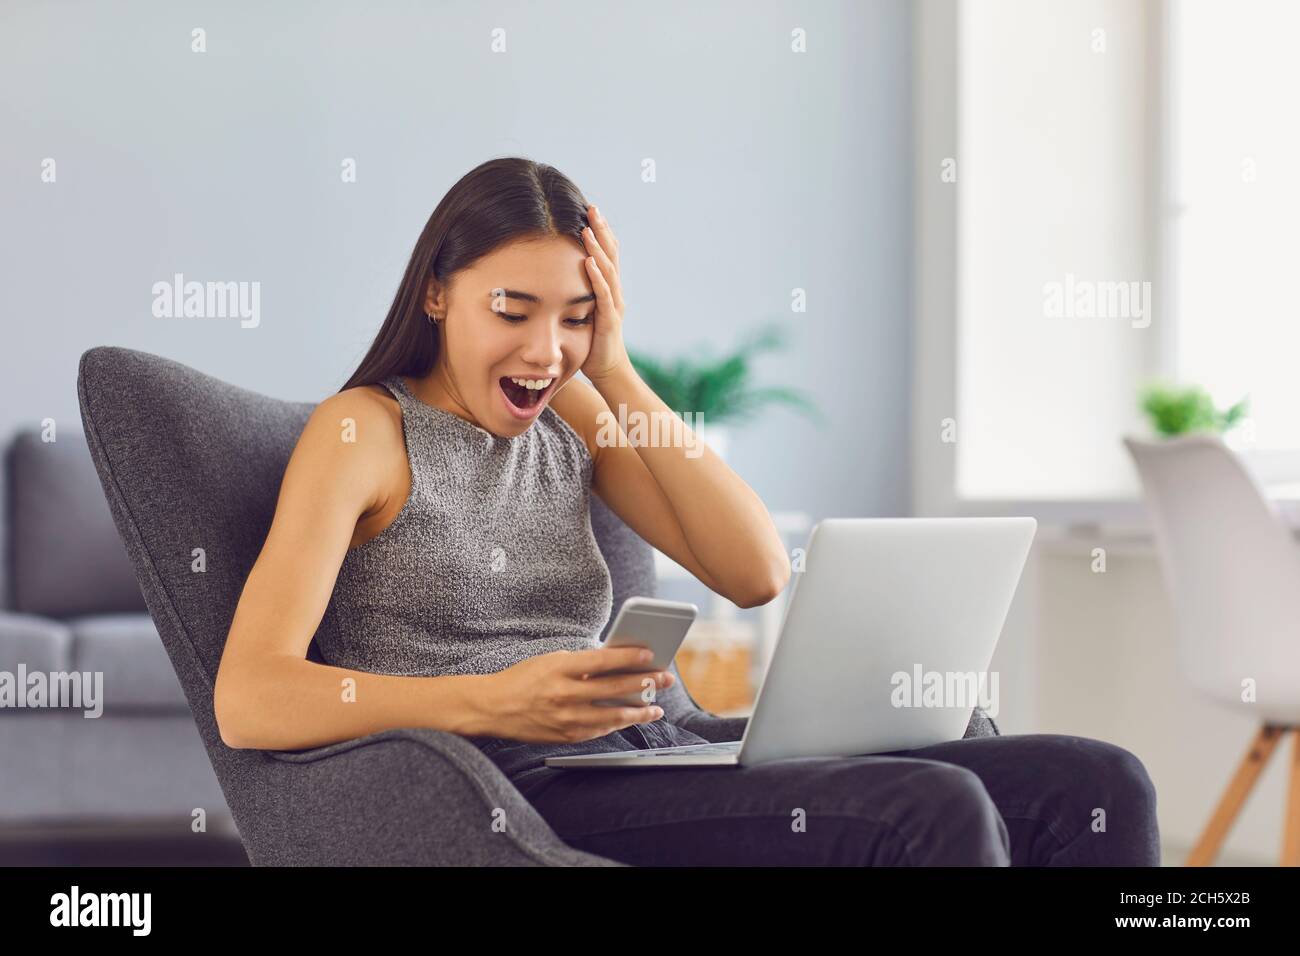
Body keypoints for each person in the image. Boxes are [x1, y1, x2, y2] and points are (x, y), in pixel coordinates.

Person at [213, 157, 1160, 866]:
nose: (546, 349)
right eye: (512, 309)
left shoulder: (575, 406)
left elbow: (754, 571)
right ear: (436, 293)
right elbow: (251, 696)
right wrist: (488, 700)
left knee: (1099, 783)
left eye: (576, 313)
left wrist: (617, 370)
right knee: (930, 807)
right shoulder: (366, 432)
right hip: (505, 782)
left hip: (646, 749)